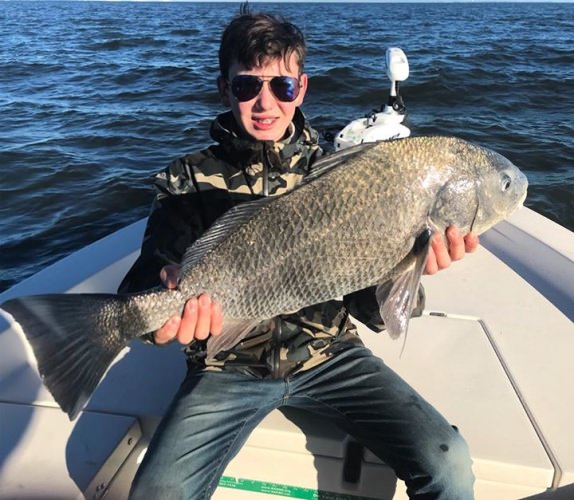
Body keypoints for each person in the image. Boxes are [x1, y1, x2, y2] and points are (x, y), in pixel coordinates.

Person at [121, 5, 478, 499]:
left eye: (281, 87)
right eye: (247, 86)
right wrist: (160, 310)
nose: (265, 102)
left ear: (301, 89)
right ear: (225, 90)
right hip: (227, 366)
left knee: (450, 463)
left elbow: (365, 305)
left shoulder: (336, 173)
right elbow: (153, 265)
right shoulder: (187, 180)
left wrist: (412, 269)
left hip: (330, 353)